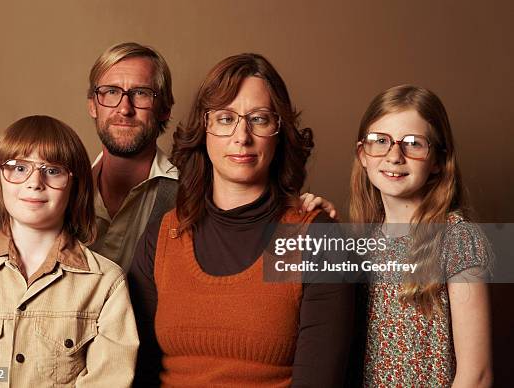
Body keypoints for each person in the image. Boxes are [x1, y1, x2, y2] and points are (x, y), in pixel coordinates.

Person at [0, 42, 334, 320]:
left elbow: (251, 218)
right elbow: (13, 265)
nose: (124, 107)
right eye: (110, 93)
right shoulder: (51, 186)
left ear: (165, 109)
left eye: (141, 94)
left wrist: (306, 214)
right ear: (92, 105)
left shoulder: (197, 191)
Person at [129, 53, 354, 387]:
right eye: (225, 118)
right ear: (204, 129)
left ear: (280, 131)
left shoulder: (319, 239)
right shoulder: (162, 236)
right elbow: (138, 372)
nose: (241, 136)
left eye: (259, 119)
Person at [0, 115, 138, 387]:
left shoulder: (107, 284)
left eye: (53, 170)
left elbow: (110, 379)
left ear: (75, 186)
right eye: (18, 167)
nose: (35, 182)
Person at [350, 85, 492, 386]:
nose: (395, 156)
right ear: (363, 154)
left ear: (438, 160)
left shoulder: (457, 238)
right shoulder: (361, 242)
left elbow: (476, 375)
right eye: (380, 141)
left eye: (414, 143)